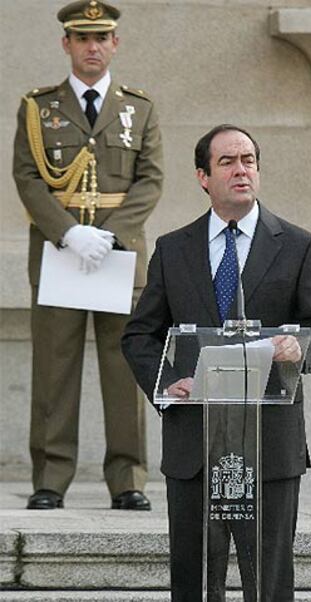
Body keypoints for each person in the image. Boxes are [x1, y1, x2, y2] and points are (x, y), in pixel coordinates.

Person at [121, 124, 311, 600]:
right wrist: (167, 384)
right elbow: (140, 334)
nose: (241, 169)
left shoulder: (299, 245)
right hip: (195, 446)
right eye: (227, 162)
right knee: (196, 583)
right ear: (203, 176)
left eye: (249, 160)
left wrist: (301, 349)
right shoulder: (173, 248)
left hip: (270, 444)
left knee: (266, 583)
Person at [12, 0, 163, 511]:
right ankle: (51, 479)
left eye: (101, 38)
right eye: (82, 38)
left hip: (119, 258)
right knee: (54, 370)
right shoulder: (39, 107)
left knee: (125, 368)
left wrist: (114, 235)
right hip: (61, 255)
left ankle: (128, 481)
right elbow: (28, 177)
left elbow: (151, 180)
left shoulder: (138, 108)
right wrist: (68, 233)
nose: (92, 47)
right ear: (66, 44)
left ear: (115, 43)